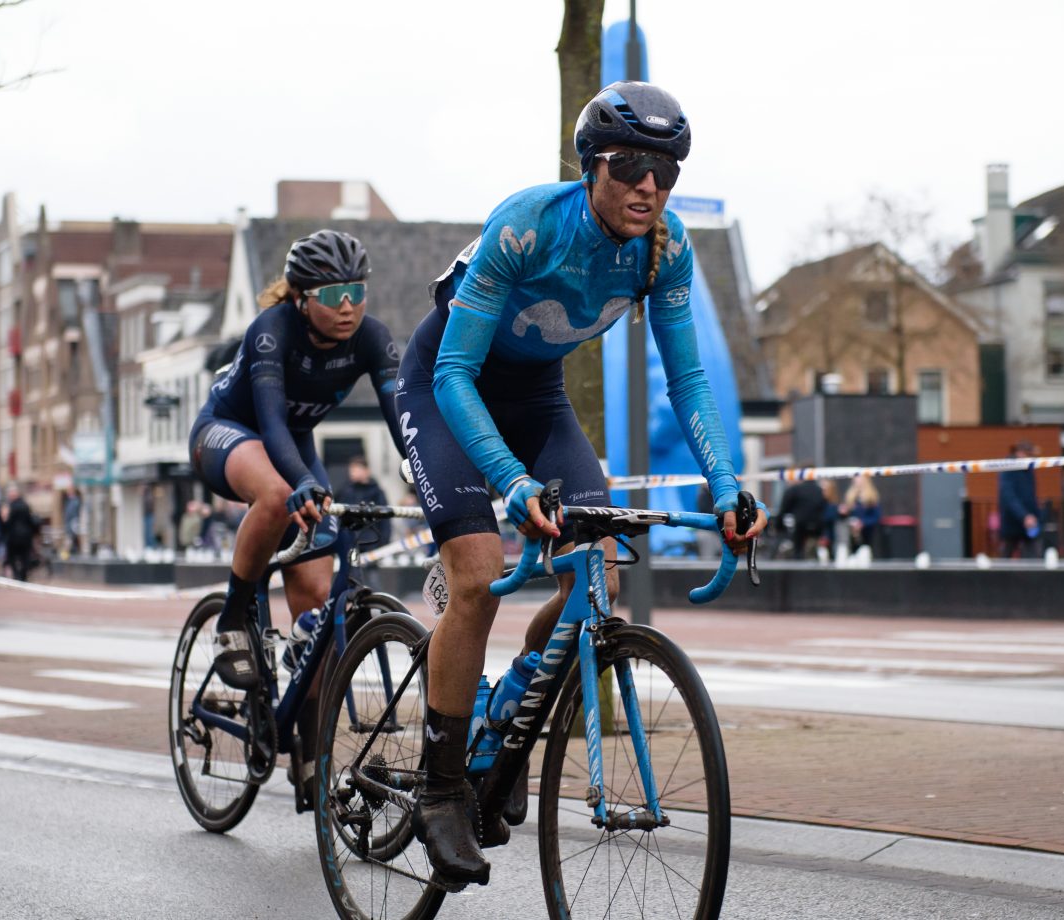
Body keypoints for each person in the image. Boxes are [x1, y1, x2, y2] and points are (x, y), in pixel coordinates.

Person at [393, 82, 766, 885]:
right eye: (631, 166)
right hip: (445, 389)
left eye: (665, 173)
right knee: (479, 579)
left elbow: (688, 381)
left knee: (599, 565)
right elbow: (456, 372)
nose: (648, 187)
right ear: (593, 165)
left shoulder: (666, 249)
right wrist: (512, 481)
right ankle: (438, 785)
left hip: (534, 400)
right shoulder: (530, 225)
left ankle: (512, 710)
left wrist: (726, 486)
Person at [187, 229, 406, 788]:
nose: (349, 306)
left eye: (357, 291)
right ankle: (235, 616)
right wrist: (305, 483)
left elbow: (405, 423)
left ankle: (308, 749)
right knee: (279, 496)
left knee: (315, 610)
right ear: (301, 298)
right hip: (230, 434)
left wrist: (432, 475)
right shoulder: (271, 331)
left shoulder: (372, 340)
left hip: (293, 446)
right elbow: (273, 421)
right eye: (333, 296)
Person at [337, 456, 391, 553]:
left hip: (372, 541)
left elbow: (385, 520)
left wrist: (384, 542)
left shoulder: (377, 492)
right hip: (350, 541)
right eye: (351, 470)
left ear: (366, 471)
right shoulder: (345, 491)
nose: (352, 473)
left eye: (355, 469)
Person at [998, 440, 1041, 559]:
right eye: (1030, 455)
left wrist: (1036, 514)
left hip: (1029, 523)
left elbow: (1031, 495)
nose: (1032, 458)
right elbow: (1008, 496)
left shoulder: (1028, 470)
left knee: (1033, 560)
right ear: (1020, 453)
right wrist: (1024, 516)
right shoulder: (1008, 468)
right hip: (1012, 522)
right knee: (1005, 561)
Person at [775, 474, 828, 560]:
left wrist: (779, 525)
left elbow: (783, 509)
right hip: (817, 526)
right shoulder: (820, 491)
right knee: (813, 551)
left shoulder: (795, 490)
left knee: (798, 551)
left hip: (800, 525)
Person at [1, 483, 39, 582]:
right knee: (25, 557)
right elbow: (30, 520)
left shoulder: (10, 507)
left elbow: (7, 523)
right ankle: (22, 575)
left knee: (12, 557)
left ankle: (17, 575)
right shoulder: (25, 505)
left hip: (13, 537)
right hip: (26, 536)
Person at [841, 473, 881, 553]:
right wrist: (844, 512)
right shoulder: (850, 496)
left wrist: (863, 523)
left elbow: (877, 517)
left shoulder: (871, 497)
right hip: (851, 534)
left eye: (859, 478)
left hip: (867, 534)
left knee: (865, 552)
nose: (857, 480)